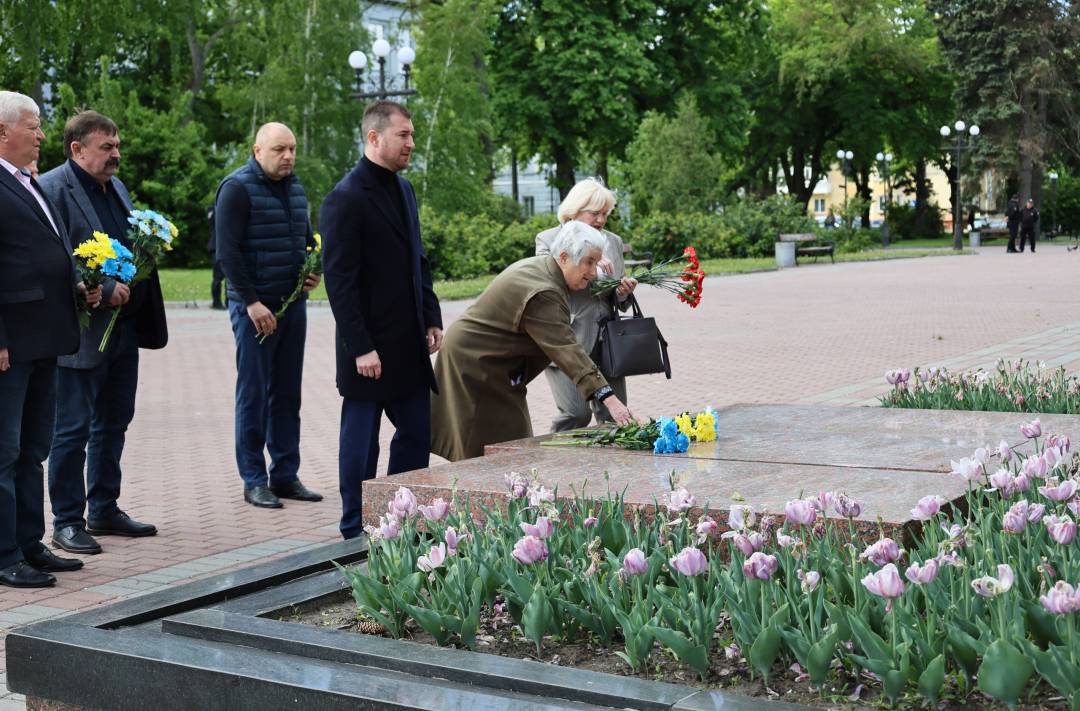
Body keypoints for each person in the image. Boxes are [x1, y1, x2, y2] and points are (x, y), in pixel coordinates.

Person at [40, 110, 168, 554]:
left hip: (123, 329)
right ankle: (67, 521)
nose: (116, 154)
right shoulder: (53, 188)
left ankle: (104, 507)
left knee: (115, 420)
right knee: (72, 428)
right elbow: (53, 254)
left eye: (117, 145)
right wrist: (99, 286)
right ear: (76, 149)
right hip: (81, 331)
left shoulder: (116, 187)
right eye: (106, 147)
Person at [321, 101, 443, 540]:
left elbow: (418, 260)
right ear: (374, 138)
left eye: (411, 135)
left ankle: (402, 518)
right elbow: (339, 280)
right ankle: (355, 524)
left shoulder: (404, 189)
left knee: (414, 432)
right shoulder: (345, 197)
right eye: (403, 135)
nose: (411, 143)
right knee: (361, 441)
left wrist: (431, 316)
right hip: (368, 347)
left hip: (408, 341)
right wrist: (360, 346)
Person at [431, 220, 635, 462]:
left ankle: (500, 489)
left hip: (494, 364)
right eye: (588, 263)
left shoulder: (548, 270)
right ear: (564, 257)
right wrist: (611, 400)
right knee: (483, 444)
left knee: (511, 444)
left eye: (596, 262)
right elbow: (568, 350)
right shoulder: (544, 291)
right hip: (474, 365)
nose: (593, 272)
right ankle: (472, 492)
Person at [0, 91, 99, 586]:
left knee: (32, 447)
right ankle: (3, 555)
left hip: (42, 338)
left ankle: (28, 544)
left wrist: (77, 286)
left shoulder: (27, 182)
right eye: (33, 125)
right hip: (11, 343)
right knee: (4, 451)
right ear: (3, 132)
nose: (41, 135)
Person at [215, 122, 323, 509]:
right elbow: (227, 252)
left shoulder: (295, 187)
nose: (288, 156)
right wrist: (251, 302)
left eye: (292, 149)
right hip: (255, 310)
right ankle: (254, 479)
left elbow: (308, 238)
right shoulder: (237, 188)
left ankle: (285, 474)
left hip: (292, 305)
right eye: (279, 149)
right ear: (257, 150)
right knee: (254, 393)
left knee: (287, 392)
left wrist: (313, 269)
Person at [535, 179, 636, 431]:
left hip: (608, 343)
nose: (601, 219)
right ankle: (554, 462)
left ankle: (608, 468)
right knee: (575, 415)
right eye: (595, 213)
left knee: (615, 418)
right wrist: (590, 259)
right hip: (569, 340)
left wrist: (623, 292)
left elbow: (617, 299)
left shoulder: (612, 241)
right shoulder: (548, 239)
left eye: (605, 214)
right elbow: (548, 287)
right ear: (575, 209)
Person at [206, 205, 225, 309]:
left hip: (223, 245)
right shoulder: (212, 209)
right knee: (218, 277)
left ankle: (227, 301)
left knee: (228, 278)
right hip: (217, 246)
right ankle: (216, 302)